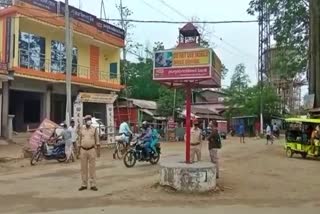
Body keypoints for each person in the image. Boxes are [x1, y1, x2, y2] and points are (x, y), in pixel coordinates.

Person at [78, 119, 100, 191]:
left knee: (92, 168)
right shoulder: (82, 129)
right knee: (83, 168)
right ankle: (84, 184)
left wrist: (98, 151)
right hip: (83, 150)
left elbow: (97, 140)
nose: (88, 121)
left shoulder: (94, 129)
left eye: (89, 120)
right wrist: (78, 151)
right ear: (84, 121)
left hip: (92, 150)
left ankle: (93, 184)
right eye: (87, 120)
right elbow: (79, 140)